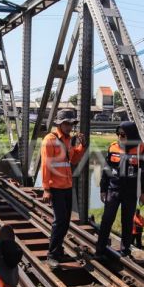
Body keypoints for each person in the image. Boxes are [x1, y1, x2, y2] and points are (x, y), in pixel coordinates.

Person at [40, 109, 86, 268]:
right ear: (59, 124)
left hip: (67, 185)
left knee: (65, 222)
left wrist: (82, 147)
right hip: (56, 187)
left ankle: (58, 250)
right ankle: (51, 254)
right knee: (59, 221)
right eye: (66, 124)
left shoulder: (68, 140)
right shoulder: (49, 140)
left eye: (71, 124)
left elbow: (72, 160)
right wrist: (46, 189)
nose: (69, 127)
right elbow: (45, 165)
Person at [96, 121, 144, 258]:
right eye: (118, 134)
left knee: (127, 222)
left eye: (123, 135)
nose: (120, 137)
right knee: (107, 220)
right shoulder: (113, 147)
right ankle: (100, 250)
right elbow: (106, 170)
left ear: (131, 135)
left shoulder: (141, 149)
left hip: (130, 192)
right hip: (113, 190)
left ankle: (125, 251)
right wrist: (103, 189)